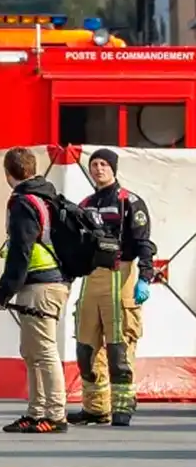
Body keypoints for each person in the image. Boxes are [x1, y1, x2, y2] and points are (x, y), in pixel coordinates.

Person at [67, 149, 154, 428]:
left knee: (119, 348)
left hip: (122, 275)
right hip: (91, 278)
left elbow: (144, 243)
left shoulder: (129, 201)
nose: (98, 169)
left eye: (104, 164)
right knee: (85, 348)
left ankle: (122, 406)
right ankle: (95, 409)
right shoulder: (85, 203)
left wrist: (145, 277)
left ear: (113, 168)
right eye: (94, 164)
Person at [0, 147, 71, 434]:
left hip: (40, 283)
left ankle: (55, 413)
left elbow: (20, 252)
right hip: (51, 282)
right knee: (31, 350)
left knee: (44, 350)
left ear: (7, 173)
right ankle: (37, 412)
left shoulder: (24, 203)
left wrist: (3, 294)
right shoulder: (46, 196)